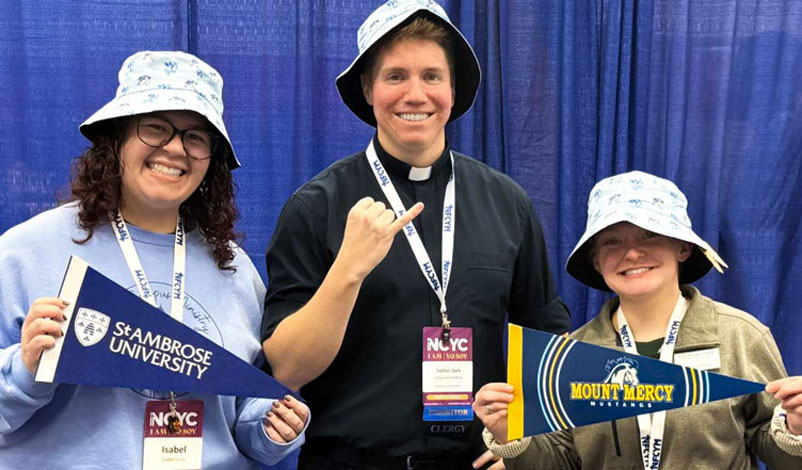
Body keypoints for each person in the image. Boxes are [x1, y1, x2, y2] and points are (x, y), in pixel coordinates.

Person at [261, 1, 570, 468]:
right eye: (395, 76)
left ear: (451, 89)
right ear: (368, 88)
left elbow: (548, 342)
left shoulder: (508, 204)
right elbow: (285, 368)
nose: (415, 94)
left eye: (431, 76)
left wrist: (525, 448)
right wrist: (347, 270)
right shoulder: (316, 207)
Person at [0, 50, 308, 468]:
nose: (175, 148)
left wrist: (271, 426)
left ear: (211, 161)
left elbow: (244, 410)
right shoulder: (24, 253)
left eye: (196, 137)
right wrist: (25, 368)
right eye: (155, 128)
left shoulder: (234, 270)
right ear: (117, 140)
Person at [474, 171, 802, 469]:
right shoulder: (572, 354)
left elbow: (773, 447)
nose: (632, 253)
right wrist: (510, 437)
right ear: (596, 260)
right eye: (613, 241)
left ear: (683, 247)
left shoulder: (741, 336)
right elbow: (562, 460)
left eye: (650, 235)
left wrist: (795, 429)